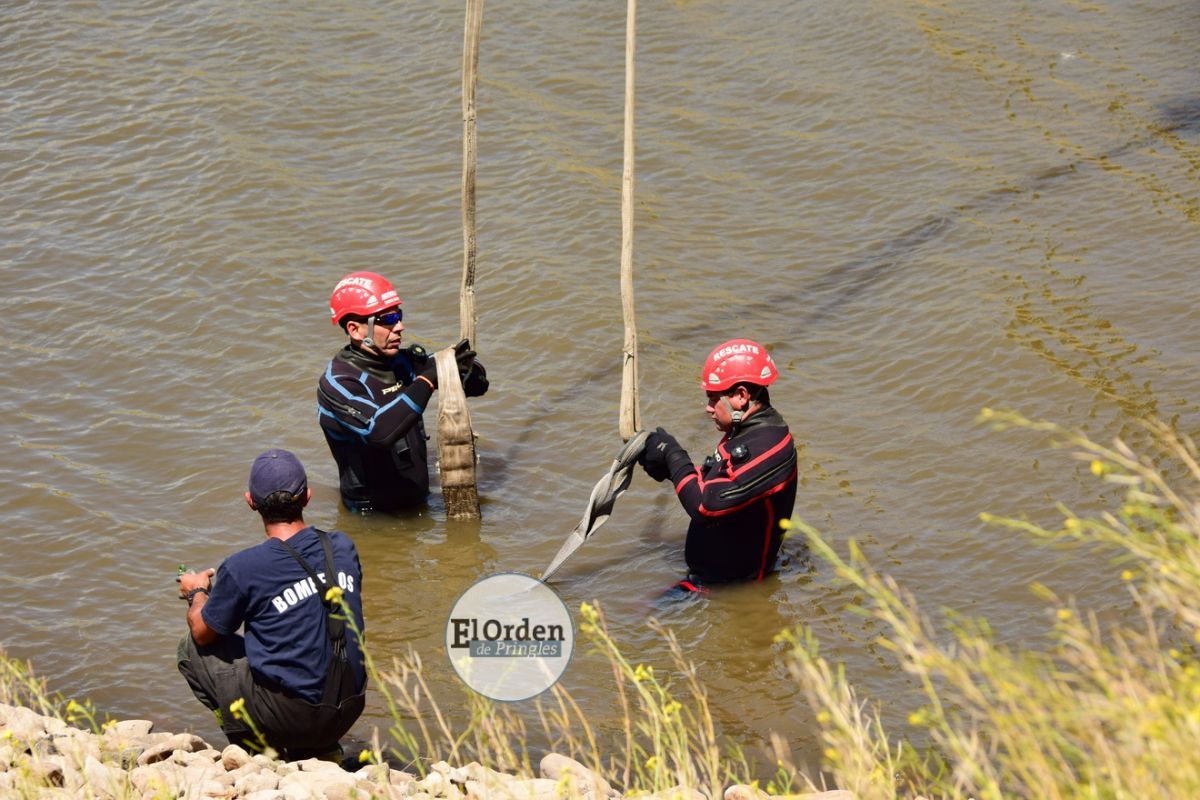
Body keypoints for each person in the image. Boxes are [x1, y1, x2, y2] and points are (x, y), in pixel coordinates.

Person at [176, 449, 366, 759]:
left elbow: (201, 632)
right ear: (307, 496)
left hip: (292, 718)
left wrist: (196, 591)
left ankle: (253, 744)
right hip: (348, 706)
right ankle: (323, 745)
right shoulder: (342, 547)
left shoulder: (244, 567)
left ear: (250, 501)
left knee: (191, 648)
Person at [318, 271, 489, 513]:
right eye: (387, 319)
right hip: (373, 519)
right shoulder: (337, 383)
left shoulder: (404, 363)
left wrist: (461, 366)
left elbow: (479, 387)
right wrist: (428, 379)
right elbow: (378, 432)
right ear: (356, 330)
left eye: (399, 315)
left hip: (419, 505)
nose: (400, 326)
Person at [639, 339, 798, 587]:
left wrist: (673, 456)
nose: (708, 408)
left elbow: (706, 505)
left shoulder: (770, 448)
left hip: (735, 589)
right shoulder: (746, 432)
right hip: (710, 582)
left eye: (713, 399)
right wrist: (670, 468)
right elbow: (714, 484)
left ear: (741, 396)